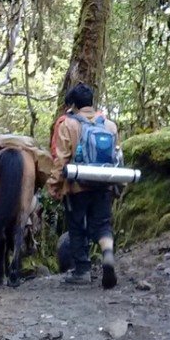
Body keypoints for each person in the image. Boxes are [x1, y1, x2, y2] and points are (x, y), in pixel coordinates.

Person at [48, 83, 120, 288]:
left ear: (73, 105)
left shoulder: (67, 125)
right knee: (103, 225)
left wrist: (54, 185)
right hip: (103, 184)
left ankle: (82, 271)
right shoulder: (109, 125)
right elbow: (116, 155)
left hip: (76, 186)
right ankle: (107, 254)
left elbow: (61, 159)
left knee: (77, 227)